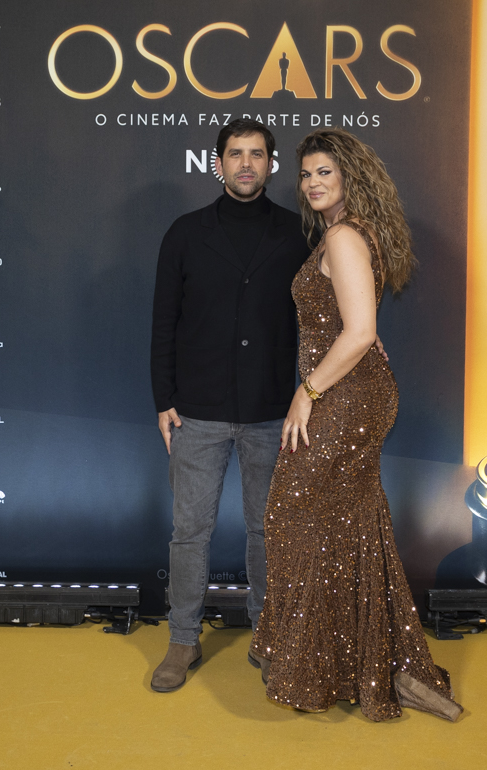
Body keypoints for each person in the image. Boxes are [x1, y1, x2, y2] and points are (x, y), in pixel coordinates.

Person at [251, 129, 463, 722]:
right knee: (348, 525)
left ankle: (326, 665)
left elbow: (361, 330)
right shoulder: (348, 233)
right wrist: (356, 351)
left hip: (342, 399)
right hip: (354, 391)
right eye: (306, 174)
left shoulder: (344, 236)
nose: (313, 183)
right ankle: (375, 664)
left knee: (294, 515)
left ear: (350, 175)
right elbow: (356, 323)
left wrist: (307, 392)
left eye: (325, 171)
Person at [149, 119, 312, 692]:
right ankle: (182, 639)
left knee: (268, 532)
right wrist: (163, 399)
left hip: (273, 412)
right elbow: (163, 322)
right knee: (189, 532)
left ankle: (268, 636)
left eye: (257, 154)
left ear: (270, 164)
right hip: (197, 411)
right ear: (218, 163)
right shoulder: (185, 233)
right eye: (236, 154)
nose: (246, 164)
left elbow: (323, 315)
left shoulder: (298, 234)